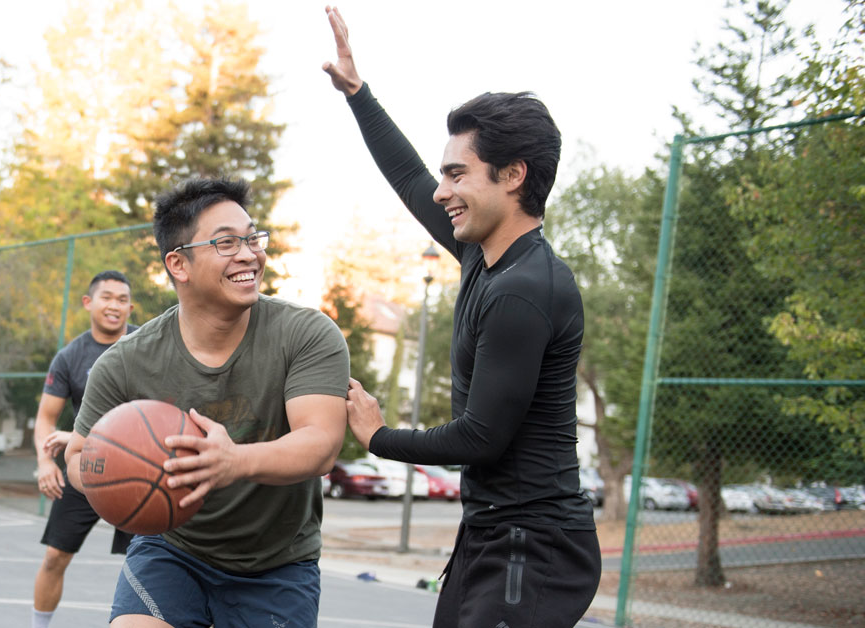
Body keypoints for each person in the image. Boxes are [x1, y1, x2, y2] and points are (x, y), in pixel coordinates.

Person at [321, 7, 599, 628]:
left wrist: (376, 437)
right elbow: (409, 178)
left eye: (458, 173)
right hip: (490, 532)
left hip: (534, 542)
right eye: (445, 173)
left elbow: (480, 438)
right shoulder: (483, 255)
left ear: (514, 176)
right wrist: (359, 94)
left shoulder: (525, 291)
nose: (442, 189)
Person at [64, 177, 350, 628]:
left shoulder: (307, 334)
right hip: (173, 549)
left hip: (276, 563)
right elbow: (77, 456)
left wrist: (233, 460)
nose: (249, 253)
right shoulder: (125, 363)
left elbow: (321, 444)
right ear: (178, 264)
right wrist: (115, 470)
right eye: (226, 242)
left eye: (253, 237)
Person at [31, 270, 138, 628]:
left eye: (122, 300)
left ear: (130, 307)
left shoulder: (147, 345)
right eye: (107, 297)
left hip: (143, 471)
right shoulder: (70, 357)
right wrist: (45, 461)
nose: (115, 306)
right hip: (85, 469)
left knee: (155, 562)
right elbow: (46, 418)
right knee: (54, 558)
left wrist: (80, 437)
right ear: (88, 303)